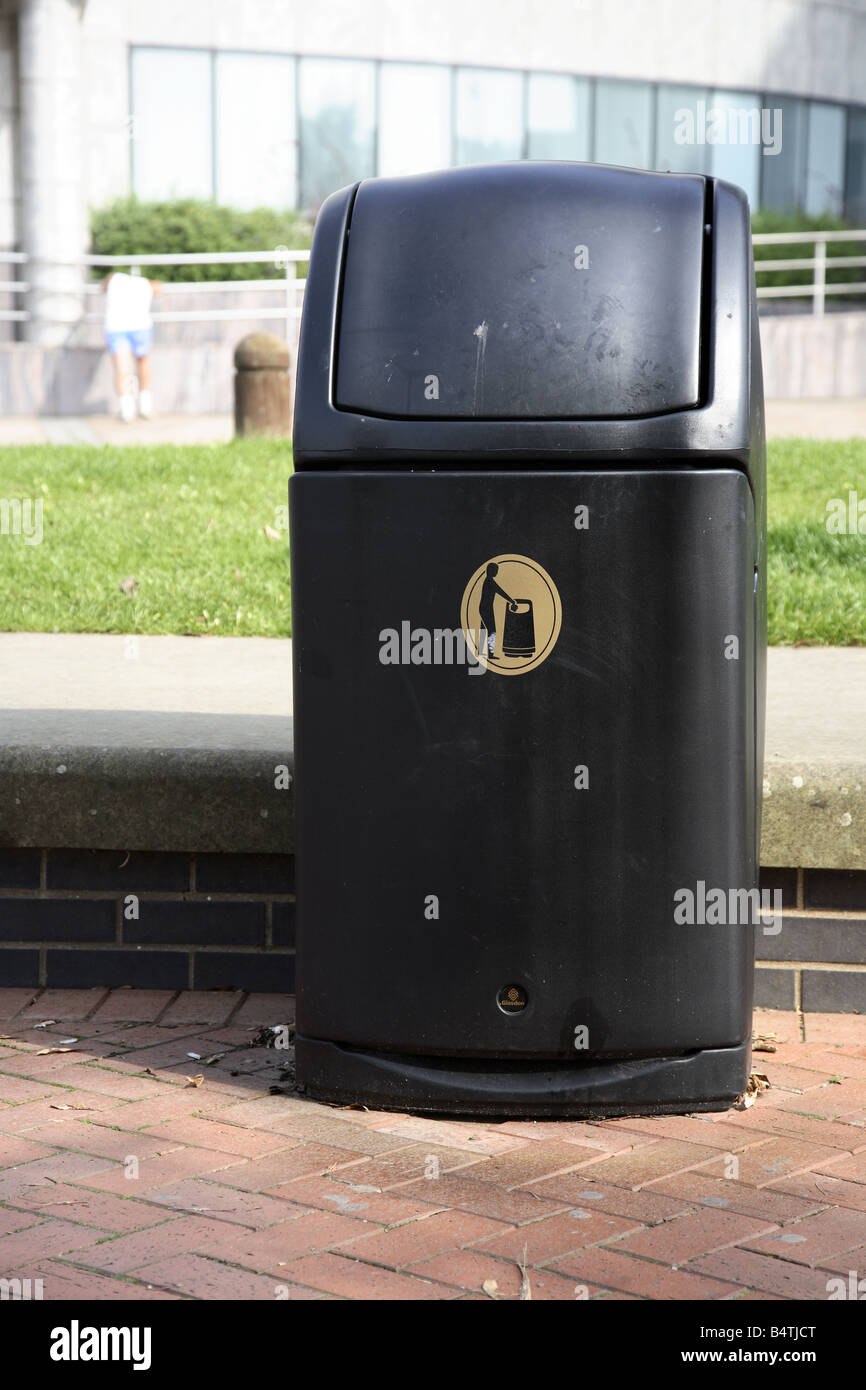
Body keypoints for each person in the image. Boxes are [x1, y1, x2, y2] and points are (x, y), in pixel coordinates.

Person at [102, 271, 162, 422]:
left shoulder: (114, 281)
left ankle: (127, 408)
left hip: (116, 327)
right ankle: (145, 405)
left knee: (122, 368)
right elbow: (159, 288)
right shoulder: (144, 284)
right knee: (142, 363)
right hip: (140, 326)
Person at [478, 561, 516, 658]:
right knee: (492, 631)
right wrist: (512, 601)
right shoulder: (490, 581)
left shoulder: (488, 580)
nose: (497, 572)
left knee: (484, 629)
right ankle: (490, 654)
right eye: (495, 570)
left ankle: (482, 653)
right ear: (490, 571)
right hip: (486, 608)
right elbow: (500, 591)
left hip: (484, 607)